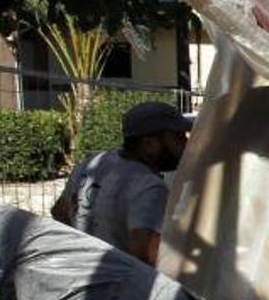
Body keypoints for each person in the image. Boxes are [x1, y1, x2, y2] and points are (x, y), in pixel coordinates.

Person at [51, 100, 191, 265]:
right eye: (178, 138)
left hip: (83, 273)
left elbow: (59, 213)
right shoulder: (149, 186)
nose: (186, 145)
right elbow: (145, 254)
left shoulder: (92, 164)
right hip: (121, 286)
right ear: (149, 144)